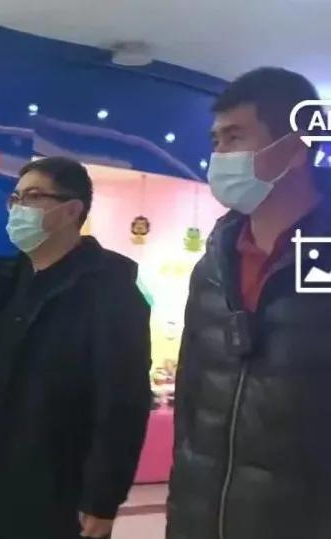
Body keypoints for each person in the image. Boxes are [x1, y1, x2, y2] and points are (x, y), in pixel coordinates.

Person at [167, 67, 331, 539]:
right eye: (216, 141)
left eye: (235, 137)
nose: (219, 156)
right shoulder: (214, 264)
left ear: (295, 148)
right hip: (201, 520)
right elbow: (191, 402)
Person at [0, 157, 152, 539]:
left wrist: (103, 497)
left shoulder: (110, 291)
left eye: (32, 196)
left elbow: (122, 401)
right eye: (14, 198)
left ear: (72, 210)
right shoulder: (3, 283)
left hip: (61, 495)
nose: (18, 208)